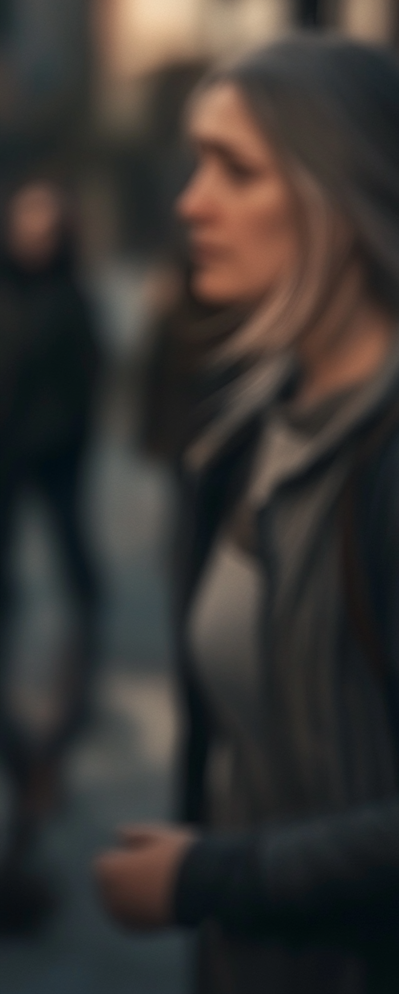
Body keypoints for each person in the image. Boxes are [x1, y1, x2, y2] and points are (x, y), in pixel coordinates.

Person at [93, 38, 399, 993]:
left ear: (338, 199)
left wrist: (202, 874)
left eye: (235, 169)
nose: (191, 203)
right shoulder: (249, 422)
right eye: (196, 165)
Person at [0, 178, 101, 929]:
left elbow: (87, 383)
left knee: (72, 569)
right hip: (11, 460)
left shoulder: (71, 302)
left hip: (52, 455)